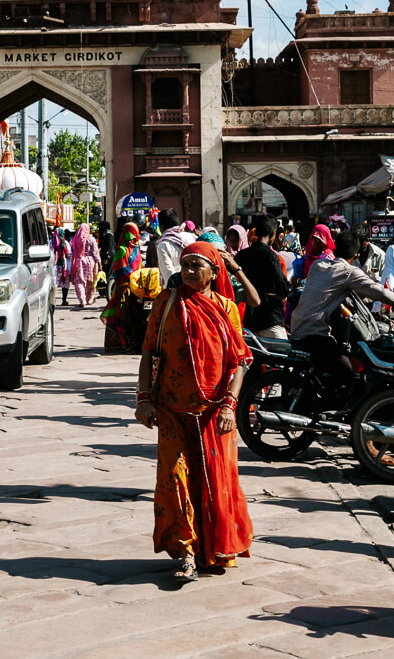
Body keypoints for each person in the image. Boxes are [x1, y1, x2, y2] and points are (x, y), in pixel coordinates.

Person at [134, 241, 253, 581]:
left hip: (214, 413)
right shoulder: (166, 303)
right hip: (172, 409)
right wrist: (144, 399)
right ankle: (185, 553)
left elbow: (238, 363)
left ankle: (212, 549)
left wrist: (231, 405)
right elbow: (148, 353)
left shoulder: (227, 309)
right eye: (185, 266)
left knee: (215, 484)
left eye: (195, 266)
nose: (186, 272)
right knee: (175, 480)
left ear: (215, 273)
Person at [291, 231, 394, 380]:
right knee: (353, 373)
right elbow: (377, 291)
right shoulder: (349, 272)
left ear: (335, 249)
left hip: (296, 327)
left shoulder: (317, 264)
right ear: (356, 256)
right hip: (314, 334)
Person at [235, 214, 291, 340]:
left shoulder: (241, 255)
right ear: (273, 233)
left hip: (248, 320)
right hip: (270, 319)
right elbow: (282, 290)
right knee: (284, 355)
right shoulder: (271, 256)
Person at [100, 222, 142, 348]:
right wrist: (133, 279)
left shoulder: (136, 249)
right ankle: (124, 342)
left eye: (134, 234)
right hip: (124, 288)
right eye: (130, 233)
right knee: (122, 313)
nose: (132, 237)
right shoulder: (121, 250)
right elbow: (119, 270)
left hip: (137, 288)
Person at [155, 209, 196, 286]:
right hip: (195, 285)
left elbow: (169, 275)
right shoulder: (192, 237)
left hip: (177, 291)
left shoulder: (163, 244)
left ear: (162, 226)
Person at [70, 222, 101, 308]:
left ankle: (82, 300)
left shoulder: (75, 239)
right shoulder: (91, 239)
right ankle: (89, 299)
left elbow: (70, 251)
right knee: (91, 281)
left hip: (79, 261)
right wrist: (99, 262)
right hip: (91, 262)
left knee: (79, 281)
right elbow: (95, 252)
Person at [51, 228, 72, 306]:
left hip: (53, 266)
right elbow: (69, 255)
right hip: (64, 266)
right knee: (65, 283)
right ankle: (64, 300)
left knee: (54, 283)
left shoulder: (51, 242)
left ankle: (53, 300)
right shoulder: (65, 242)